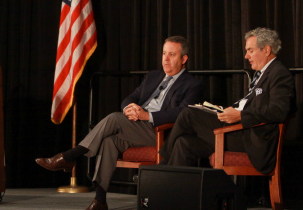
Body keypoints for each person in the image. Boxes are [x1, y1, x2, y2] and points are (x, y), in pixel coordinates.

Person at [36, 36, 204, 210]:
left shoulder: (192, 84)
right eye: (163, 53)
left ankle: (71, 156)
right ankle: (100, 200)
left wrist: (148, 116)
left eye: (171, 55)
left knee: (114, 118)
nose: (166, 59)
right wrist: (128, 109)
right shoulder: (154, 76)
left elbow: (182, 113)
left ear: (184, 59)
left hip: (161, 132)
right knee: (109, 141)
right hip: (135, 125)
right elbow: (132, 97)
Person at [159, 27, 295, 175]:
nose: (246, 56)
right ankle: (175, 192)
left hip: (253, 140)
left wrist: (240, 116)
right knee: (183, 142)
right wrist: (224, 110)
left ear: (266, 50)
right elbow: (249, 105)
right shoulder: (263, 74)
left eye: (250, 50)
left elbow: (279, 110)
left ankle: (161, 164)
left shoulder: (279, 73)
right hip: (239, 130)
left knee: (188, 114)